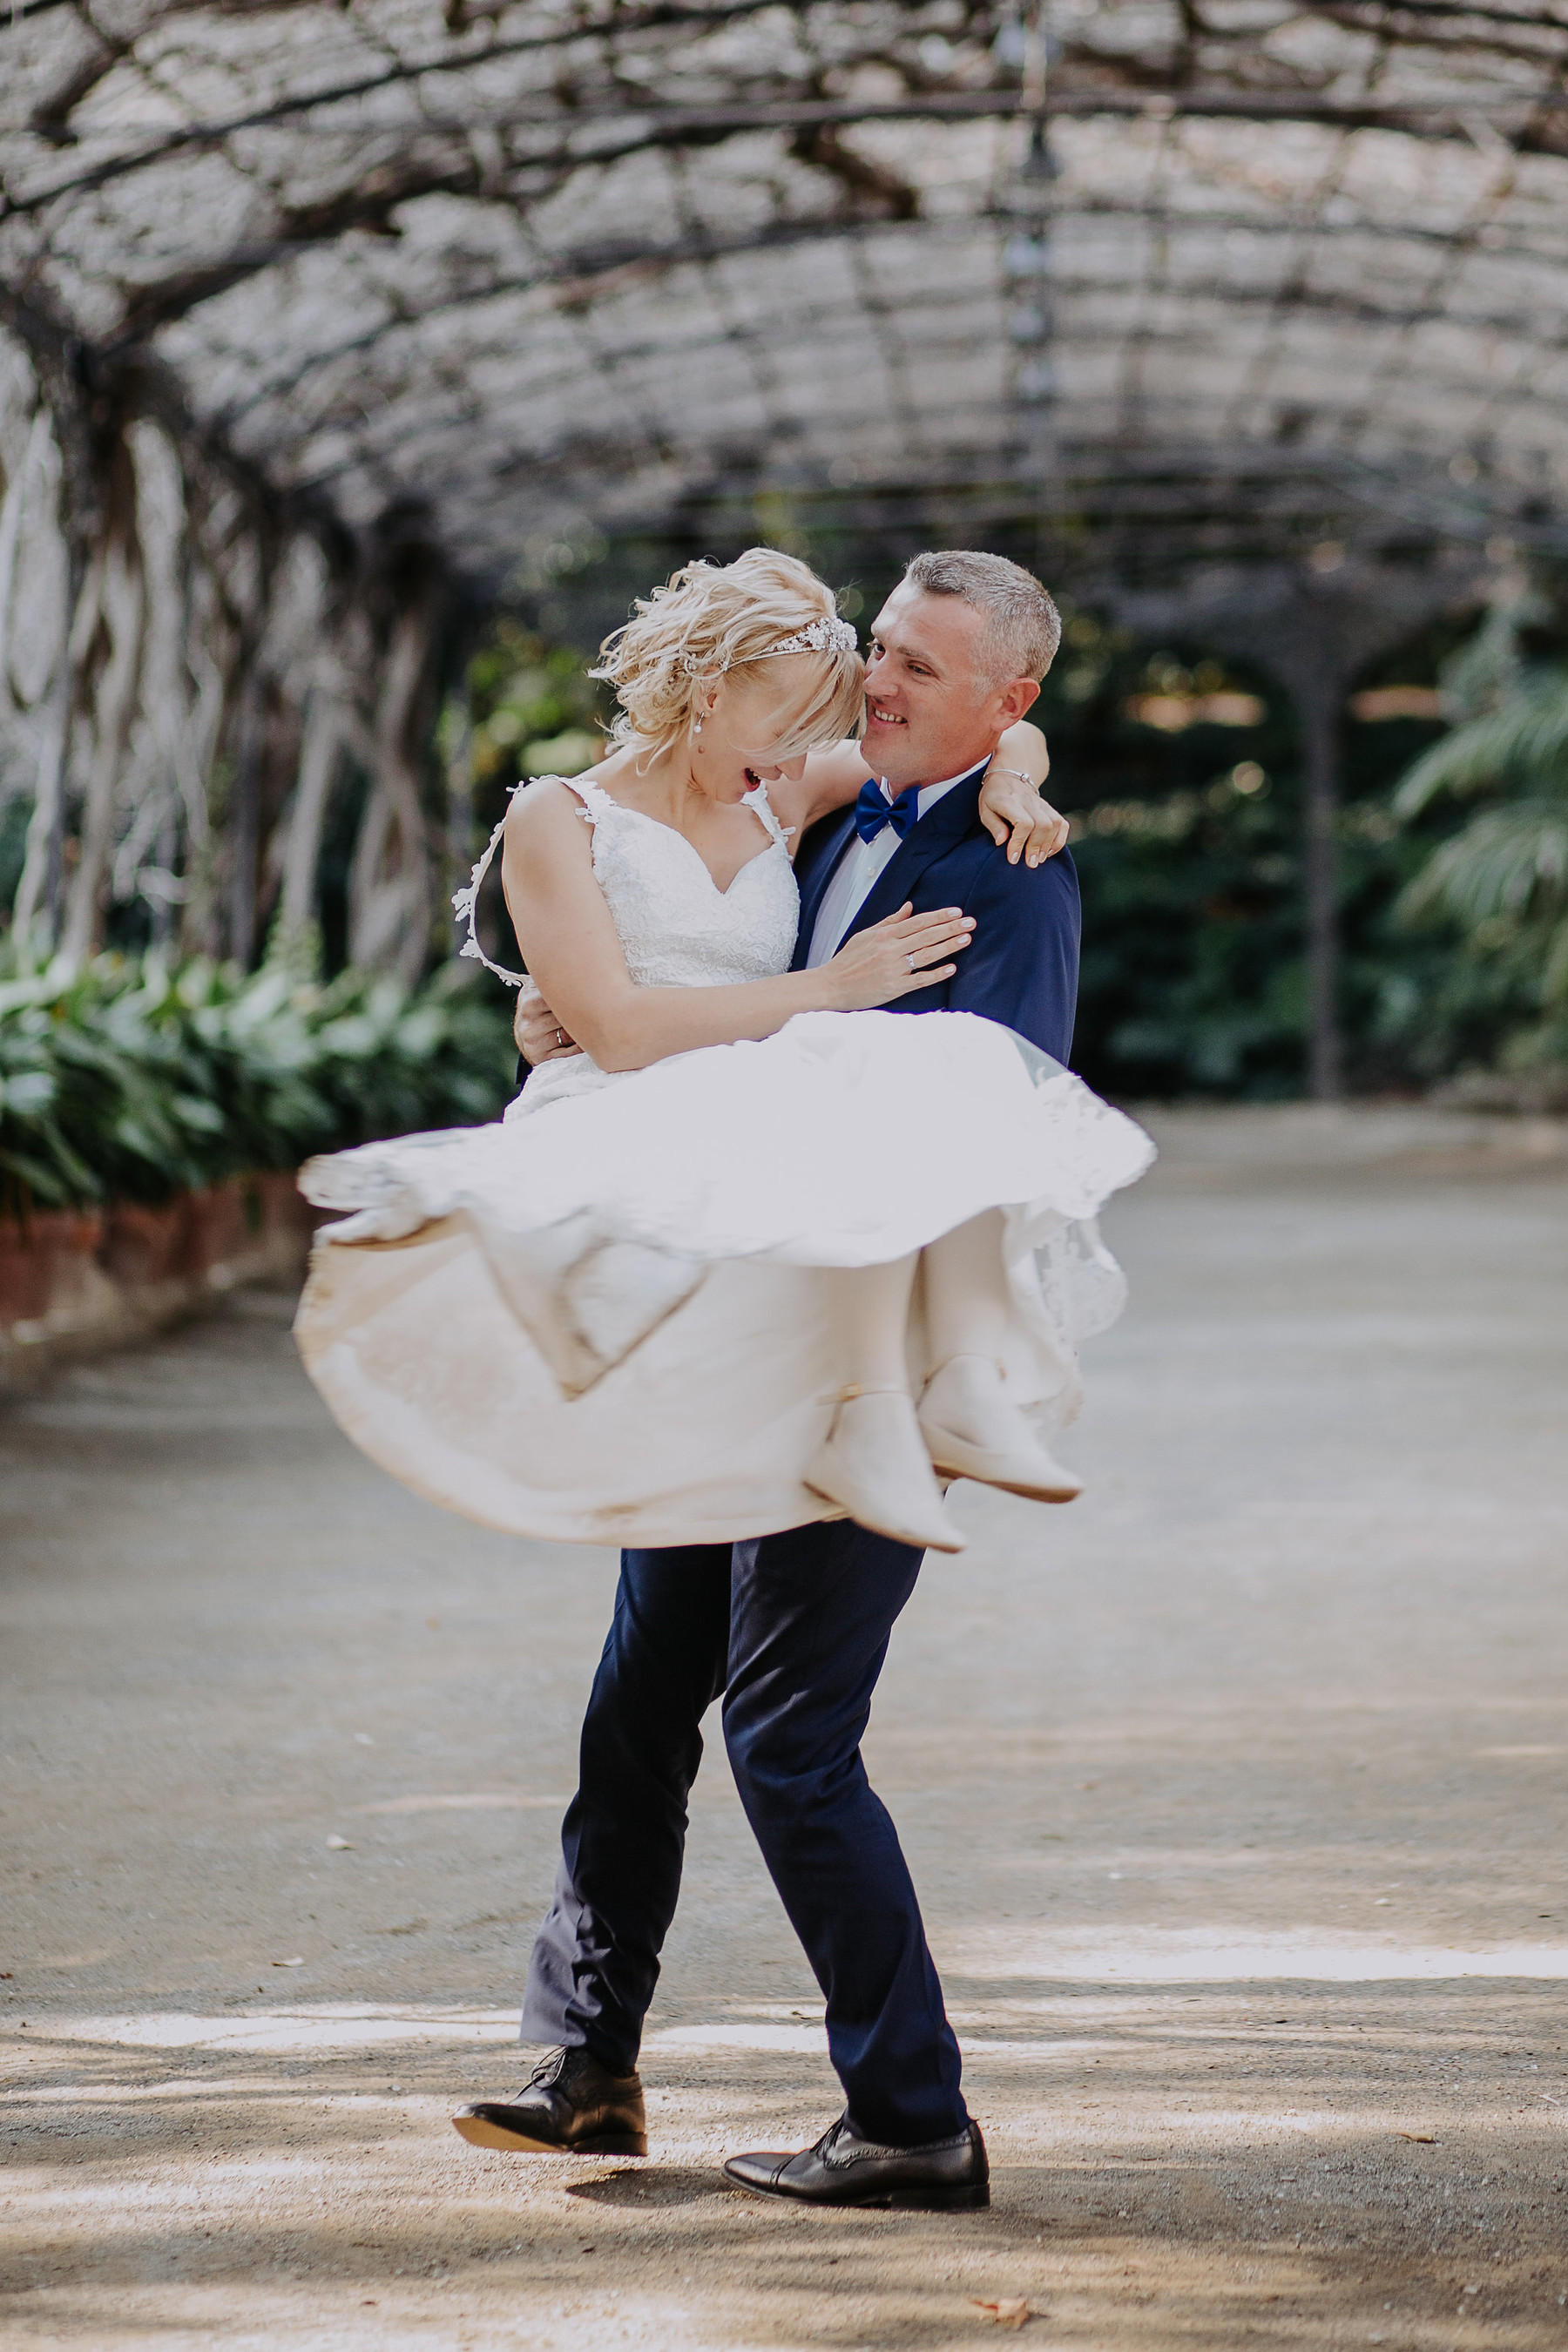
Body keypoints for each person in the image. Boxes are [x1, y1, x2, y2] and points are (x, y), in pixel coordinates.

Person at [294, 546, 1152, 2209]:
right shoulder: (819, 808)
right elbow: (667, 993)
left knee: (786, 1737)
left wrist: (1024, 777)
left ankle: (912, 2119)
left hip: (859, 1361)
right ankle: (586, 2066)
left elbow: (984, 1129)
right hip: (715, 1335)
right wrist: (570, 1025)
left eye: (915, 668)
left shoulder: (1013, 868)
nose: (873, 686)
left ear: (1011, 702)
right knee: (638, 1703)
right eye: (873, 653)